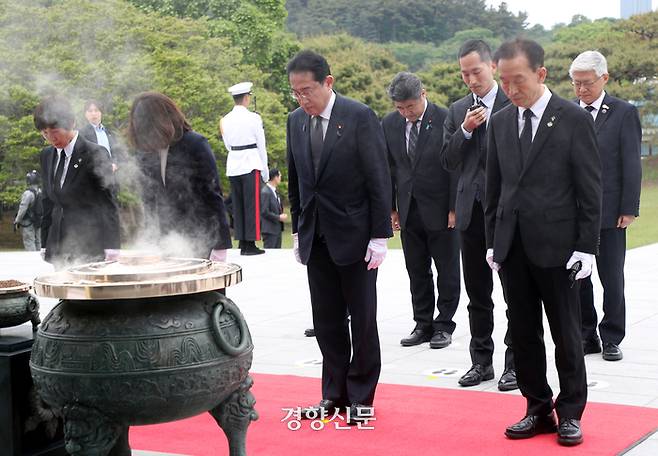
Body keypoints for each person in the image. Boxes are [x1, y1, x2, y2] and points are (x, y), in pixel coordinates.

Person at [485, 39, 601, 446]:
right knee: (523, 331)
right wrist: (492, 243)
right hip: (513, 247)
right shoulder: (499, 122)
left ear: (540, 73)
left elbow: (590, 189)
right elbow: (494, 188)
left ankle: (570, 412)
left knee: (567, 333)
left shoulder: (571, 119)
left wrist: (586, 247)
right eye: (505, 81)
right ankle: (537, 407)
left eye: (518, 80)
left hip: (560, 247)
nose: (511, 89)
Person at [286, 50, 392, 423]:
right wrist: (299, 230)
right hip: (317, 237)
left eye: (308, 90)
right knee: (326, 320)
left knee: (362, 320)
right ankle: (333, 394)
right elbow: (298, 181)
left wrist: (380, 235)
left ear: (328, 82)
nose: (302, 99)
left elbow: (378, 178)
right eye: (296, 92)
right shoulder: (295, 121)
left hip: (356, 235)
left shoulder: (358, 116)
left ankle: (361, 395)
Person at [441, 39, 516, 391]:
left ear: (493, 67)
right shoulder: (457, 111)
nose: (471, 80)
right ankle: (480, 362)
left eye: (476, 71)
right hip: (471, 215)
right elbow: (448, 160)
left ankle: (515, 363)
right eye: (464, 74)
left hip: (506, 213)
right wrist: (466, 129)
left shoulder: (512, 101)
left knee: (515, 294)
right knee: (478, 295)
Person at [569, 51, 642, 362]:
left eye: (587, 83)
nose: (581, 90)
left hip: (610, 209)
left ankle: (612, 335)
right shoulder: (568, 113)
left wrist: (629, 207)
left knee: (611, 276)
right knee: (578, 275)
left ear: (604, 79)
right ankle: (587, 335)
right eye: (576, 84)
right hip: (573, 211)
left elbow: (631, 163)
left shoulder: (624, 113)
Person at [382, 72, 460, 350]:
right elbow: (390, 168)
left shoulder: (446, 118)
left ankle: (444, 324)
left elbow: (455, 165)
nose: (406, 113)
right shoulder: (390, 123)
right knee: (416, 268)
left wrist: (454, 207)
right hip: (408, 208)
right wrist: (392, 207)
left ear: (423, 94)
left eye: (410, 107)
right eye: (400, 108)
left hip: (440, 207)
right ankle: (422, 322)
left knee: (447, 269)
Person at [128, 92, 231, 261]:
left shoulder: (195, 144)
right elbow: (148, 201)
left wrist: (221, 245)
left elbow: (212, 195)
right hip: (166, 241)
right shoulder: (145, 152)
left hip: (202, 235)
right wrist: (148, 240)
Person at [35, 95, 120, 268]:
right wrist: (45, 242)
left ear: (71, 123)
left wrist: (112, 245)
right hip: (58, 242)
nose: (51, 138)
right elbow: (48, 201)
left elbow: (108, 201)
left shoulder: (95, 153)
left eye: (55, 131)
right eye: (45, 133)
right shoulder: (47, 155)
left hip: (90, 241)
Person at [220, 82, 269, 256]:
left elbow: (227, 145)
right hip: (251, 162)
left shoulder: (224, 120)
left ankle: (242, 241)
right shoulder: (254, 118)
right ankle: (250, 244)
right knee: (252, 205)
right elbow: (261, 145)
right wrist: (265, 169)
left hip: (233, 164)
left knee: (239, 205)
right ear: (247, 98)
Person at [79, 99, 123, 171]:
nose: (93, 114)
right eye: (90, 111)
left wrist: (115, 164)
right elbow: (83, 157)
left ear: (101, 113)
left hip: (112, 175)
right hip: (92, 175)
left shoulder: (109, 132)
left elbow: (117, 152)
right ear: (85, 114)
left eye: (96, 110)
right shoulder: (81, 134)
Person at [13, 170, 43, 251]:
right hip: (38, 221)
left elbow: (23, 208)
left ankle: (32, 261)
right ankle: (39, 261)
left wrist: (17, 221)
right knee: (38, 242)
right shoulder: (40, 191)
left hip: (28, 222)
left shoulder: (28, 193)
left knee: (29, 242)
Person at [260, 168, 287, 248]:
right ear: (275, 177)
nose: (280, 178)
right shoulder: (265, 192)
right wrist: (278, 217)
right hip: (269, 230)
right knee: (270, 255)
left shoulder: (274, 191)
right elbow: (264, 211)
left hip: (276, 229)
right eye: (279, 176)